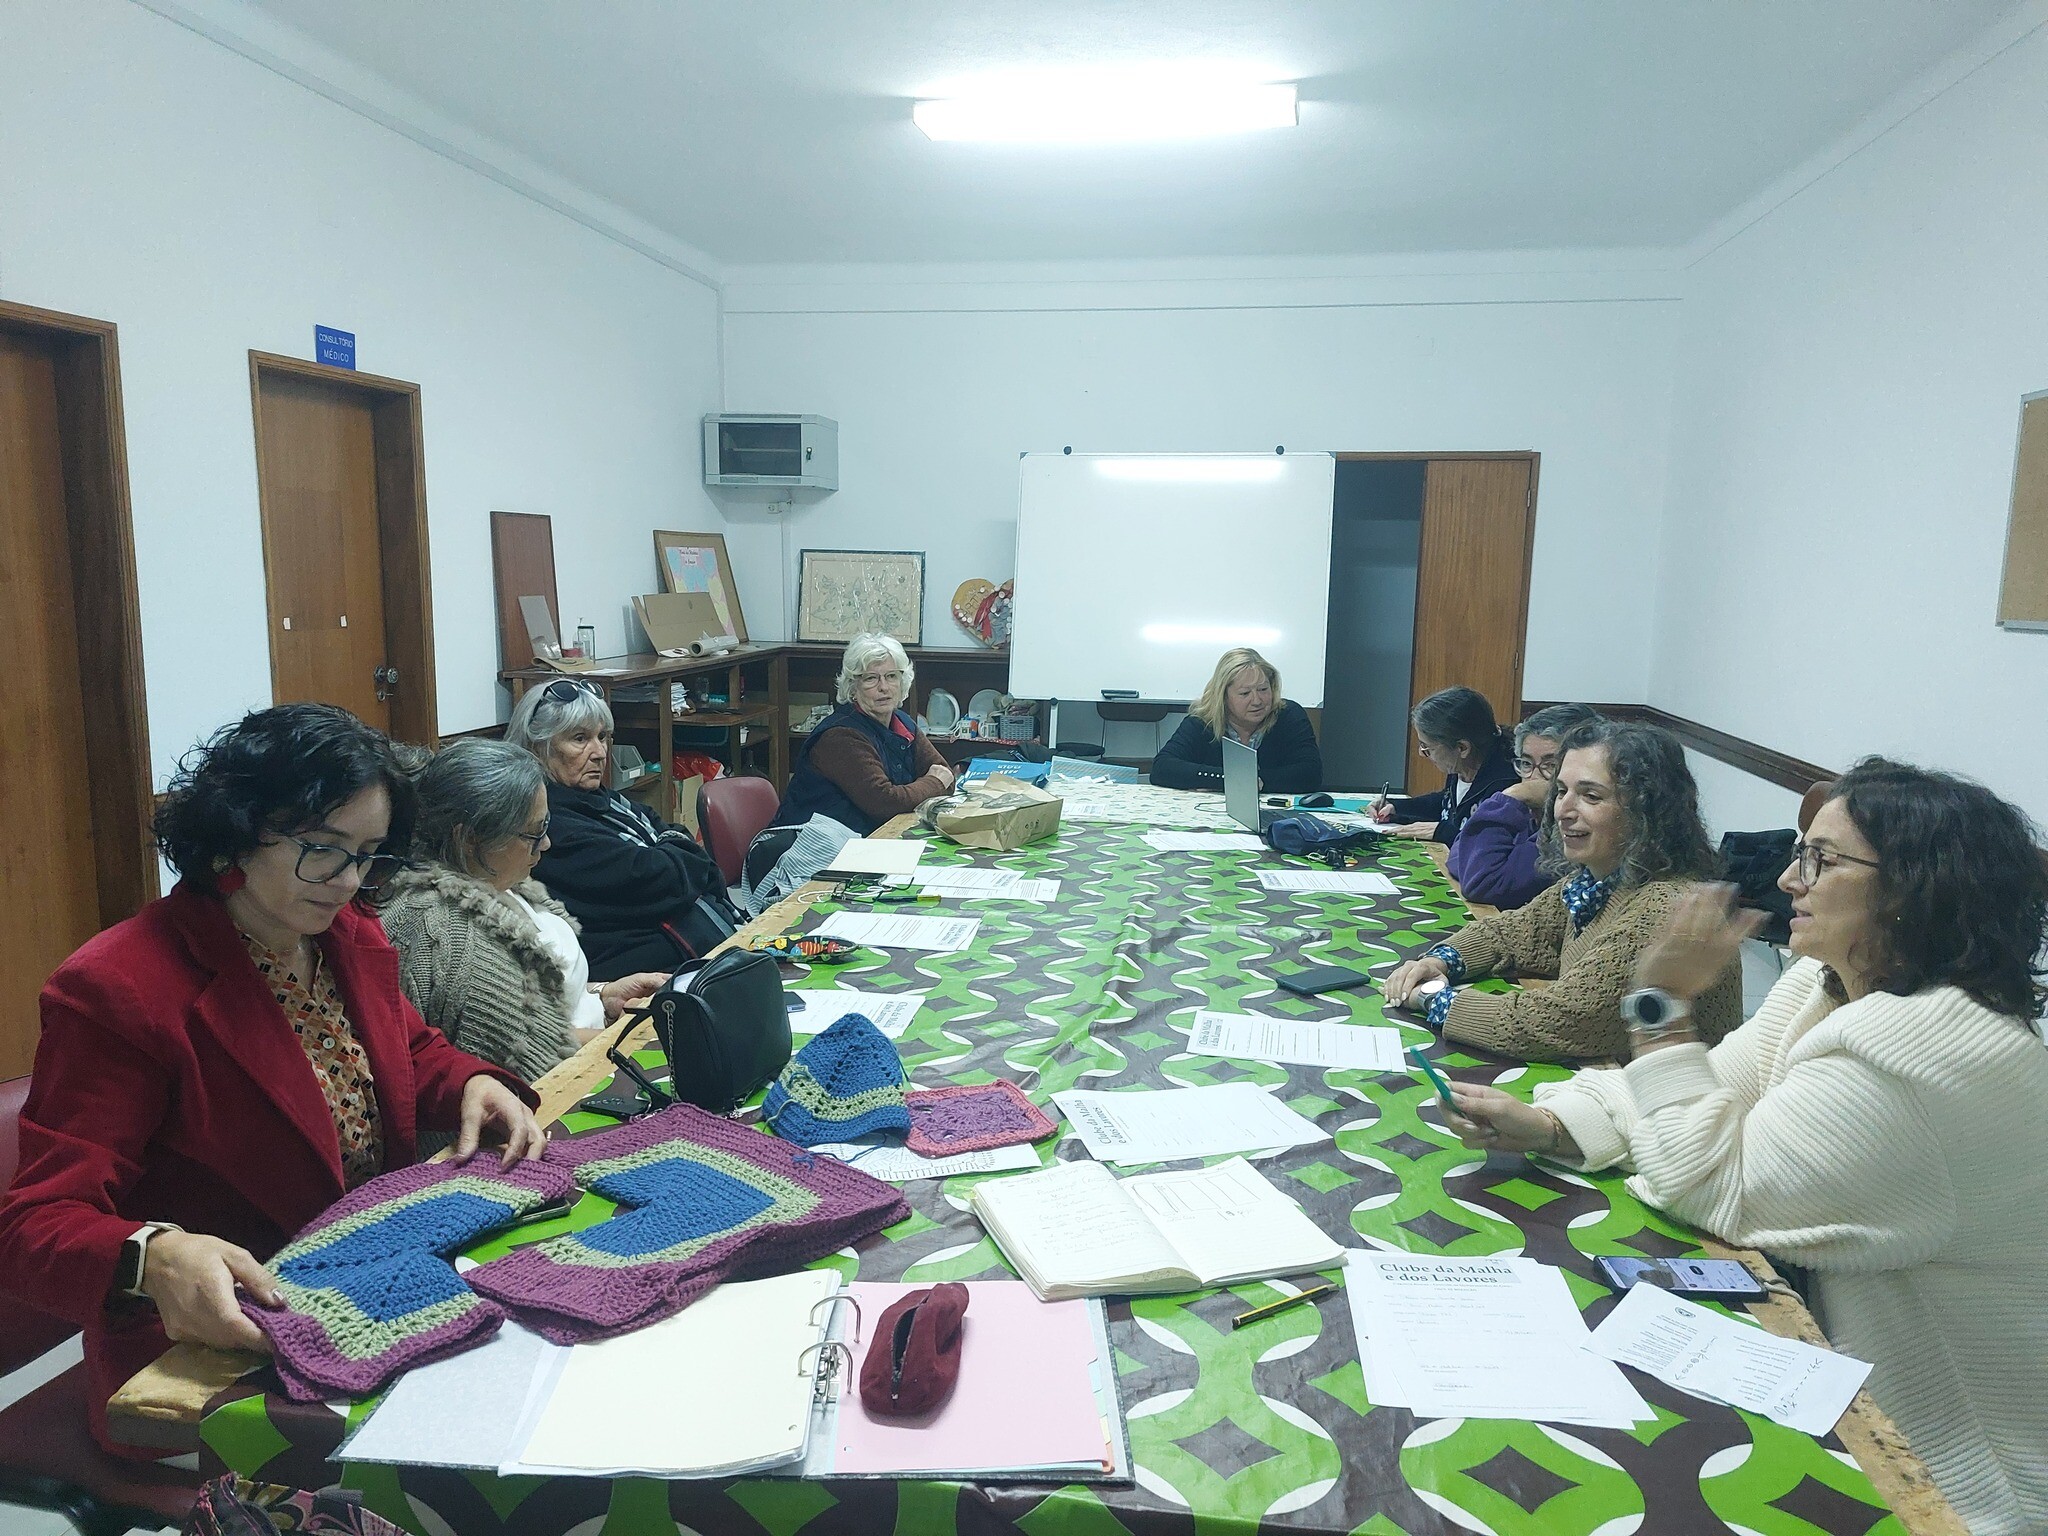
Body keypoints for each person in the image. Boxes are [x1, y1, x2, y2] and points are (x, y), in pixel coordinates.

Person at [1446, 760, 2048, 1536]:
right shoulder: (1827, 982)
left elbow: (1706, 1178)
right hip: (1832, 1374)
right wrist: (1553, 1125)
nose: (1791, 879)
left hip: (1946, 1477)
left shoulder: (1919, 1052)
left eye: (1821, 860)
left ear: (1913, 889)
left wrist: (1661, 1006)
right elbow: (1706, 1091)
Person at [0, 705, 544, 1454]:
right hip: (203, 1362)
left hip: (367, 1299)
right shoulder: (120, 987)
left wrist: (471, 1082)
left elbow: (405, 1050)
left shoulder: (343, 934)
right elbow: (32, 1228)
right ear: (237, 830)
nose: (347, 880)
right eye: (322, 849)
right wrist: (153, 1254)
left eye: (368, 854)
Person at [1383, 719, 1740, 1059]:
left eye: (1591, 796)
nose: (1562, 810)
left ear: (1646, 810)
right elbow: (1514, 933)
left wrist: (1433, 999)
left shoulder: (1664, 907)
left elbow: (1557, 1020)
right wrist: (1439, 961)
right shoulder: (1596, 878)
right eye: (1562, 791)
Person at [382, 740, 669, 1082]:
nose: (546, 844)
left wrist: (602, 996)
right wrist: (634, 1036)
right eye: (534, 833)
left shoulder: (498, 879)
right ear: (470, 838)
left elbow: (541, 1002)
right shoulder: (451, 933)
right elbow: (536, 1057)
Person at [773, 633, 955, 835]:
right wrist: (934, 783)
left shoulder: (902, 722)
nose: (883, 687)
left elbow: (945, 773)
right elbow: (885, 803)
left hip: (867, 839)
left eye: (891, 676)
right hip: (811, 845)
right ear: (853, 687)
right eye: (871, 678)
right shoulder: (840, 737)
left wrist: (931, 784)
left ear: (903, 681)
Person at [1447, 703, 1603, 909]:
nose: (1533, 778)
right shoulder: (1526, 810)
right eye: (1527, 763)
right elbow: (1458, 855)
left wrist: (1512, 796)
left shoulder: (1571, 831)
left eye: (1551, 765)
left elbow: (1481, 882)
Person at [1148, 647, 1322, 793]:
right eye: (1245, 693)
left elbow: (1310, 774)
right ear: (1223, 696)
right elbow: (1162, 768)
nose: (1257, 701)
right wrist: (1227, 780)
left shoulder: (1288, 715)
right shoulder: (1203, 720)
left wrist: (1255, 782)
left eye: (1263, 689)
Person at [1371, 686, 1518, 843]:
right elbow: (1446, 805)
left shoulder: (1505, 787)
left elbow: (1489, 841)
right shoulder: (1463, 766)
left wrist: (1442, 832)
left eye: (1427, 747)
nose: (1421, 753)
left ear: (1462, 748)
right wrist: (1397, 807)